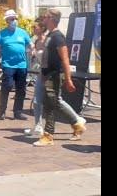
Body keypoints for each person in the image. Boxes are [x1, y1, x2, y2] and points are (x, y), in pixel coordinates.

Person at [34, 8, 87, 147]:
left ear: (52, 19)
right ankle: (77, 124)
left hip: (55, 75)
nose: (43, 19)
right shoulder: (50, 35)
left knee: (50, 105)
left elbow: (65, 59)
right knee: (55, 102)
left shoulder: (58, 37)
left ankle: (48, 135)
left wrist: (68, 79)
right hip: (47, 75)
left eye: (45, 16)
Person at [0, 9, 33, 120]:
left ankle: (18, 111)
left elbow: (30, 44)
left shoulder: (23, 32)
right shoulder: (2, 34)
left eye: (15, 19)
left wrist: (33, 49)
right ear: (7, 21)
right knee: (7, 86)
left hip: (22, 65)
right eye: (11, 19)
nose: (14, 21)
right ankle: (2, 110)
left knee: (21, 89)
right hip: (8, 65)